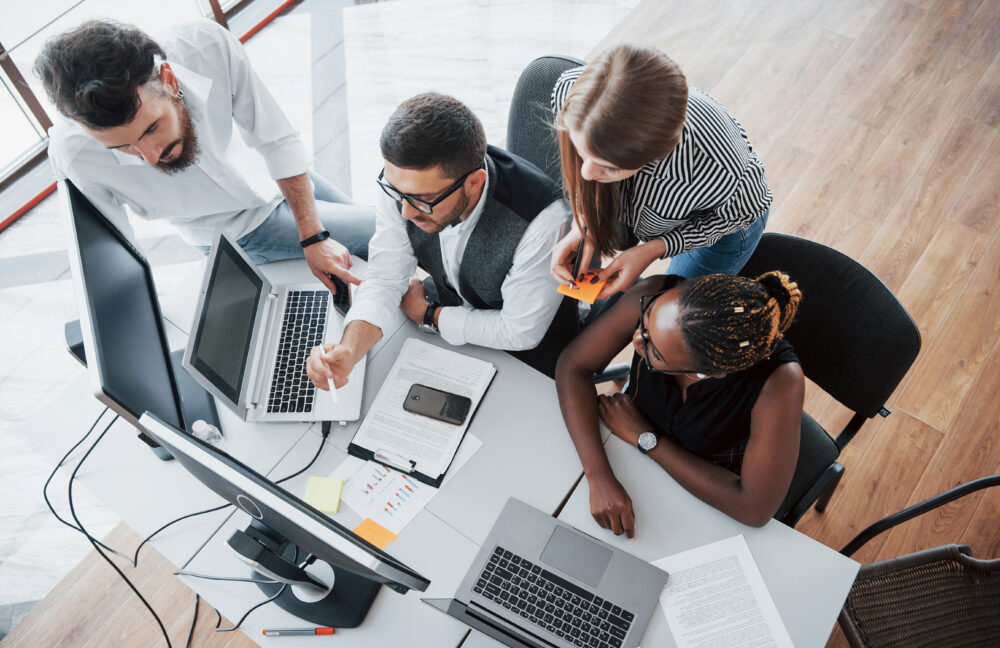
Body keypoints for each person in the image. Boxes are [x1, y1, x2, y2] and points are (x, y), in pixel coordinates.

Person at [35, 18, 373, 292]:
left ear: (168, 80)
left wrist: (313, 235)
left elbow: (276, 140)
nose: (150, 157)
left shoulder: (207, 46)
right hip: (238, 231)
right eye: (122, 148)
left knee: (389, 235)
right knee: (390, 229)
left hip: (275, 176)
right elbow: (118, 253)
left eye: (151, 128)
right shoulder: (73, 154)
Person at [307, 92, 576, 388]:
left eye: (423, 201)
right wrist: (349, 349)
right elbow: (385, 277)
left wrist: (429, 315)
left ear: (474, 182)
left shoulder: (543, 222)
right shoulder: (404, 186)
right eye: (398, 194)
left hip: (528, 355)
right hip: (450, 321)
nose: (406, 212)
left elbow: (520, 331)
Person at [555, 271, 804, 535]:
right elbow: (573, 365)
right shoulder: (655, 292)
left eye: (656, 354)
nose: (637, 339)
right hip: (624, 448)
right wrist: (598, 476)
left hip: (705, 487)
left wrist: (648, 439)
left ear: (710, 373)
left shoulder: (780, 382)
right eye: (646, 320)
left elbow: (754, 509)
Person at [549, 44, 773, 300]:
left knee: (674, 305)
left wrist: (655, 249)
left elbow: (749, 208)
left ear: (659, 154)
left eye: (610, 167)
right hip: (654, 210)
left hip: (723, 223)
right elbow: (589, 177)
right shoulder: (571, 94)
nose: (586, 174)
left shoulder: (721, 166)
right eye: (582, 153)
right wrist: (583, 225)